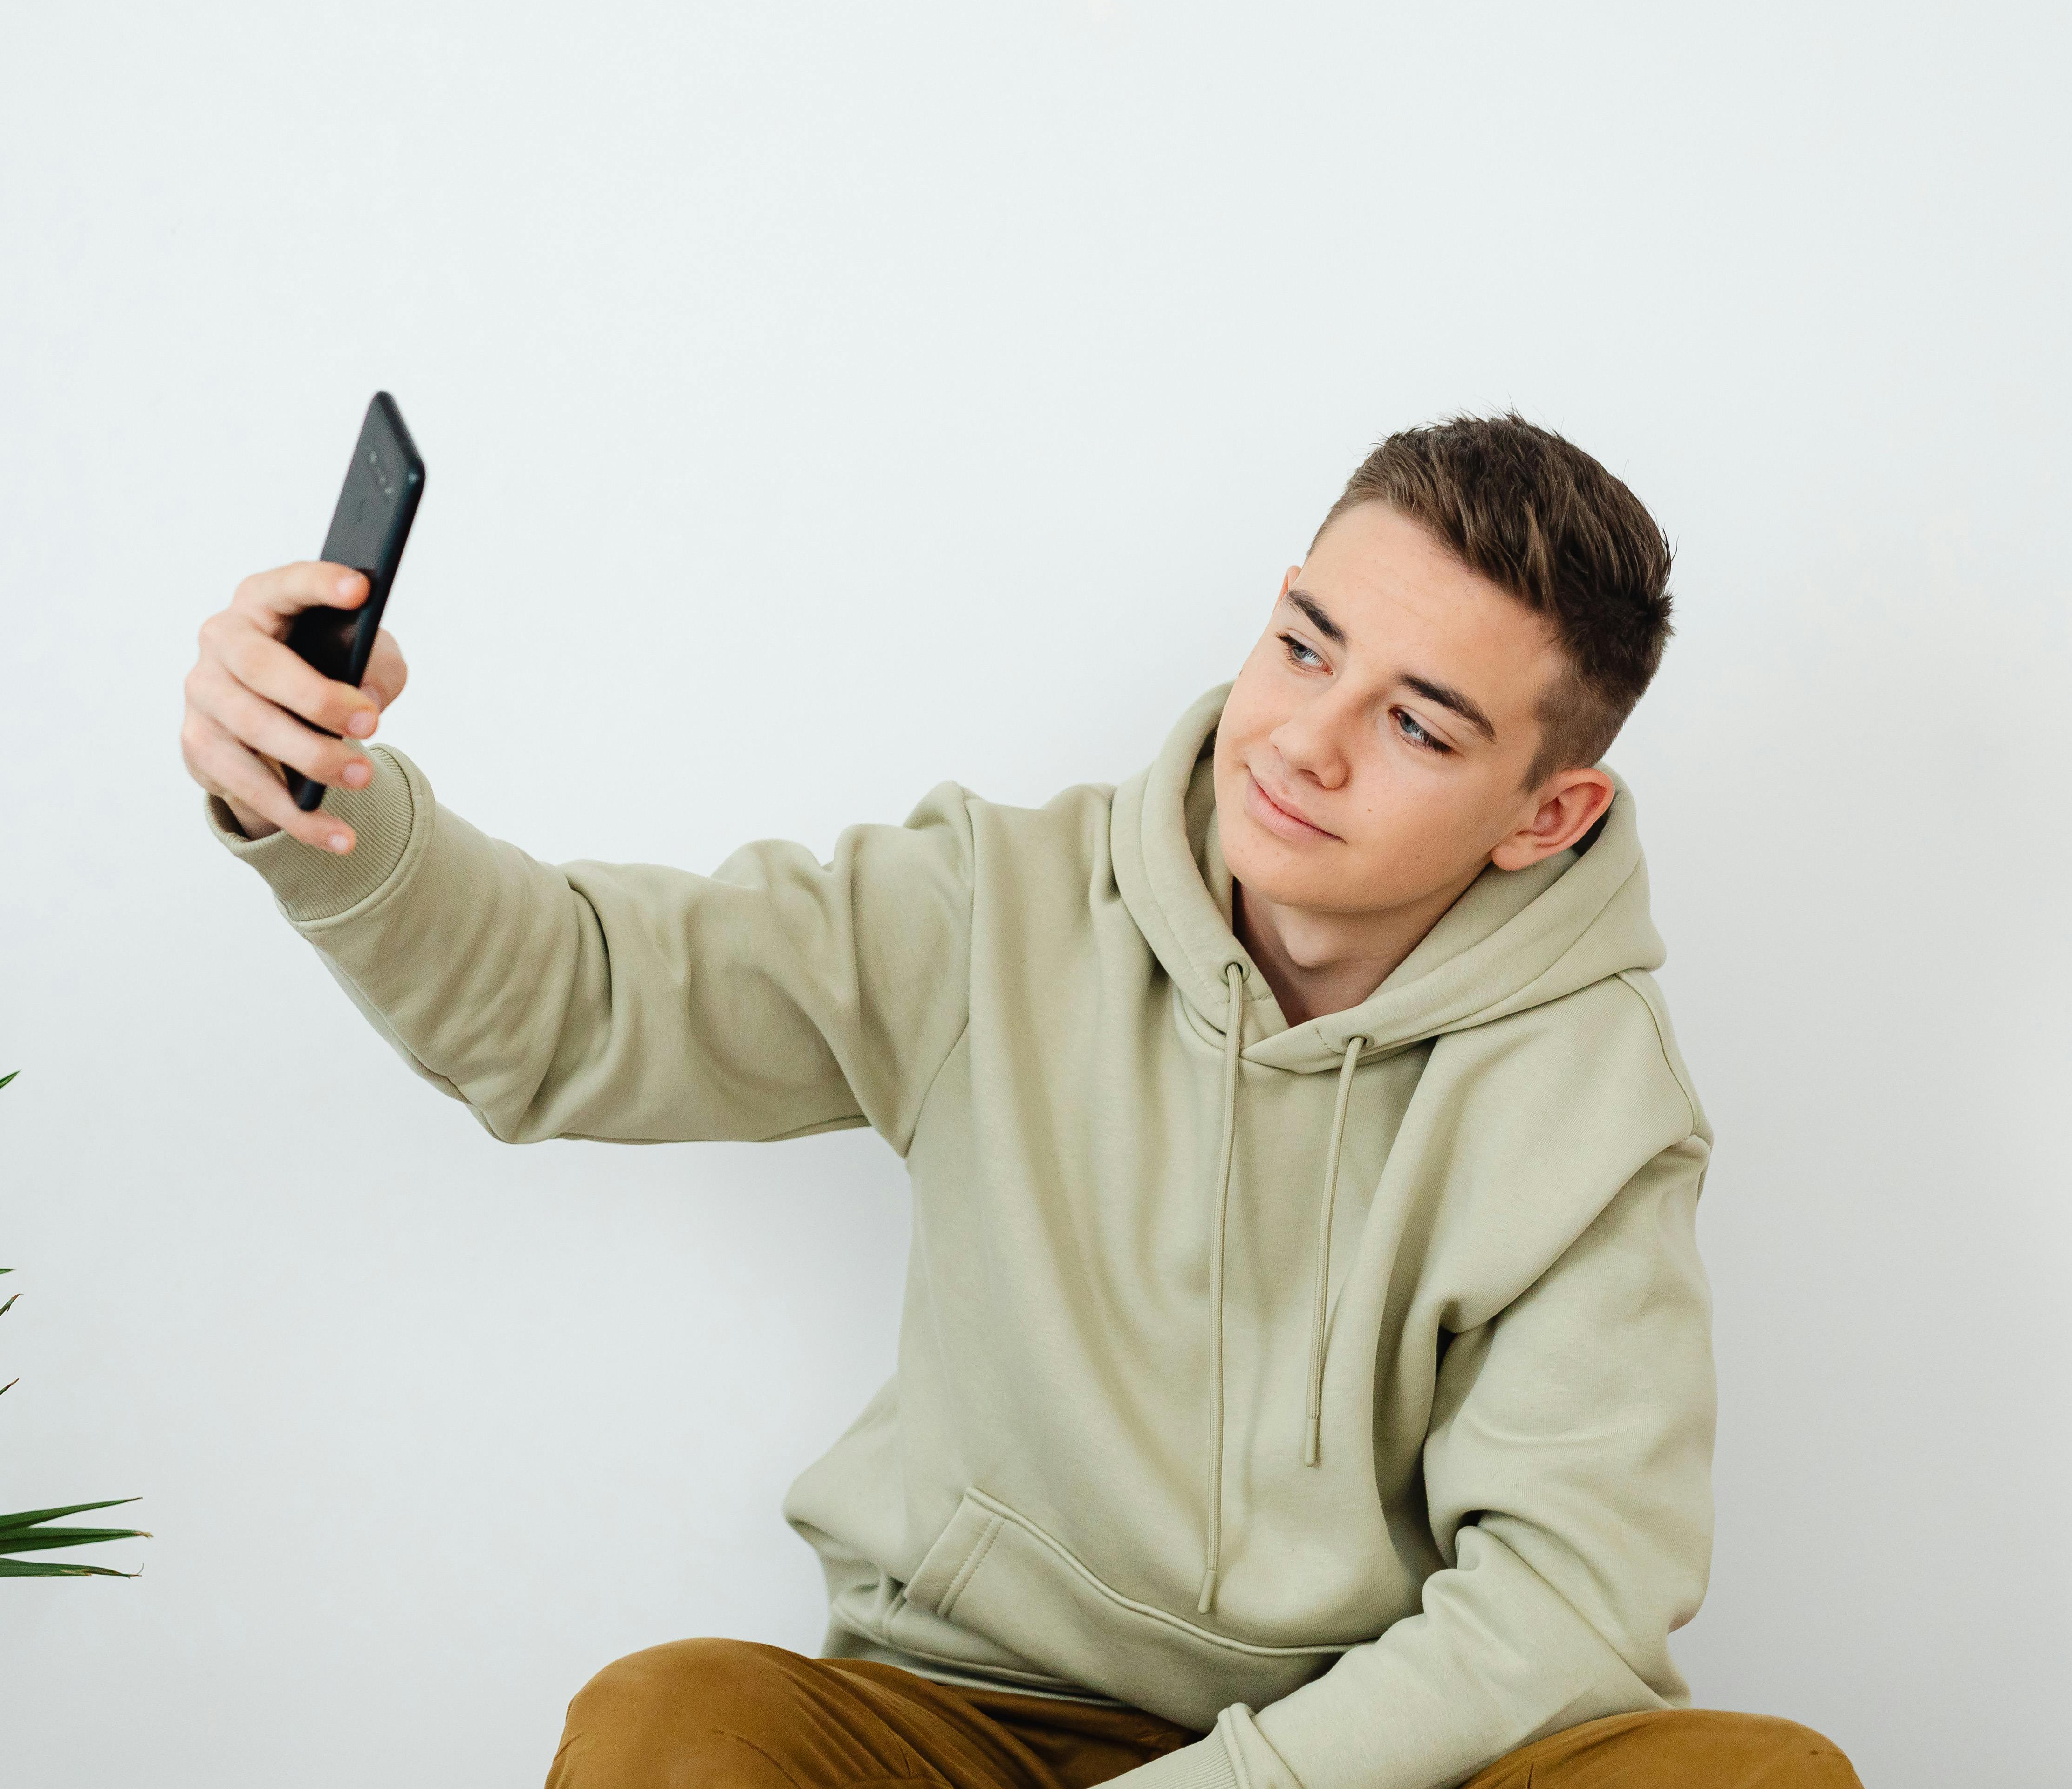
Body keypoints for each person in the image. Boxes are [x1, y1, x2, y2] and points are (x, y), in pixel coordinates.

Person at [178, 413, 1864, 1789]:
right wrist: (319, 806)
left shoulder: (1591, 1099)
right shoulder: (1000, 905)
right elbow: (581, 1000)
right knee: (670, 1725)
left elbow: (1566, 1600)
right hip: (968, 1724)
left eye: (1417, 727)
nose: (1306, 742)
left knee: (1760, 1780)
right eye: (1304, 647)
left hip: (1376, 1761)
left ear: (1547, 815)